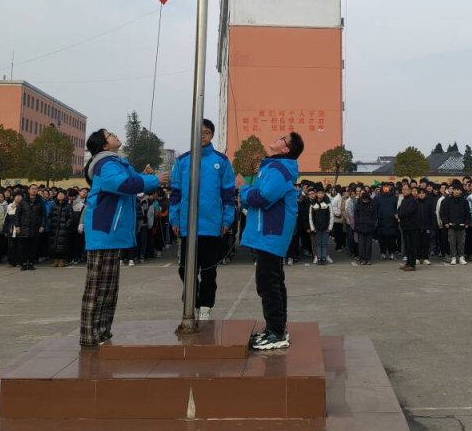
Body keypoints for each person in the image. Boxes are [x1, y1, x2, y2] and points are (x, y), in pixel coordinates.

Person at [80, 129, 161, 348]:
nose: (115, 135)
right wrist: (154, 179)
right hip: (104, 229)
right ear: (104, 145)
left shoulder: (116, 162)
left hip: (112, 231)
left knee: (109, 287)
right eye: (109, 135)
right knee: (97, 287)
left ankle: (103, 332)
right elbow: (125, 185)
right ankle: (89, 336)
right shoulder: (105, 164)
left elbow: (132, 180)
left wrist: (144, 175)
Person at [235, 132, 304, 351]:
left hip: (271, 232)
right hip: (268, 232)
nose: (277, 137)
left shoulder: (279, 170)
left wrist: (242, 187)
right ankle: (277, 328)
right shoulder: (273, 167)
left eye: (283, 138)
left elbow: (262, 198)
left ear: (286, 149)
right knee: (274, 281)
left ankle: (276, 332)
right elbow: (258, 197)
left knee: (268, 283)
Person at [169, 119, 236, 319]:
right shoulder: (182, 161)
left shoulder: (221, 161)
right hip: (187, 225)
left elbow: (228, 194)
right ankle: (192, 302)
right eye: (199, 132)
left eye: (206, 132)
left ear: (211, 135)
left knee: (208, 270)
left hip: (211, 225)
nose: (202, 136)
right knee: (185, 269)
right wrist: (174, 219)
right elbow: (175, 193)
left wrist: (227, 220)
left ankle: (206, 307)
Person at [440, 181, 470, 265]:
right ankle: (453, 256)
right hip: (451, 225)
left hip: (462, 225)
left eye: (458, 190)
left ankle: (461, 257)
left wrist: (467, 222)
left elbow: (468, 213)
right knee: (452, 242)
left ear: (461, 191)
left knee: (461, 242)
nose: (457, 191)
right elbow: (443, 212)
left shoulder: (464, 201)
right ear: (452, 190)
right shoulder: (447, 200)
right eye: (455, 190)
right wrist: (445, 222)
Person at [396, 183, 419, 271]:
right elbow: (399, 210)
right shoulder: (404, 200)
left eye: (406, 189)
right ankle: (408, 263)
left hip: (412, 226)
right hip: (404, 226)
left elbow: (408, 212)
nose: (404, 191)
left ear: (410, 190)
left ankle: (412, 264)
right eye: (403, 189)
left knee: (411, 246)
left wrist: (399, 215)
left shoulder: (412, 200)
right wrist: (398, 214)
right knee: (407, 246)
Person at [308, 187, 334, 265]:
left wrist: (330, 227)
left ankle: (324, 258)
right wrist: (312, 227)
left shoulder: (328, 203)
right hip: (317, 228)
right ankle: (319, 258)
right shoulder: (313, 204)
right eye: (319, 193)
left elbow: (331, 215)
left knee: (324, 243)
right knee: (318, 244)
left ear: (324, 194)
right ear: (316, 194)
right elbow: (310, 216)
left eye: (322, 193)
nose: (320, 194)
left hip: (326, 227)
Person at [352, 189, 377, 266]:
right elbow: (355, 216)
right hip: (360, 227)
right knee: (361, 245)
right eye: (364, 200)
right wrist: (359, 222)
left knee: (369, 244)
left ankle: (368, 259)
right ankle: (362, 259)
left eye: (367, 200)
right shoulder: (358, 204)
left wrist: (372, 223)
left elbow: (375, 216)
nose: (365, 201)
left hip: (369, 227)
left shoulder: (372, 204)